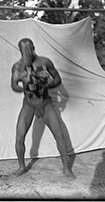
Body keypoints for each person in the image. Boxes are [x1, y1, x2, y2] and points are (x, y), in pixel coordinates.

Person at [10, 38, 74, 179]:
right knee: (19, 137)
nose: (26, 52)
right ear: (19, 50)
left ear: (34, 47)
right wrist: (23, 86)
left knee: (59, 135)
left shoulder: (44, 62)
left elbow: (57, 80)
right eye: (23, 50)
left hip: (45, 103)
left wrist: (44, 85)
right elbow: (14, 85)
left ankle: (66, 168)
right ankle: (22, 166)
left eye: (28, 49)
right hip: (28, 105)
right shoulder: (17, 67)